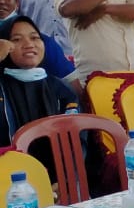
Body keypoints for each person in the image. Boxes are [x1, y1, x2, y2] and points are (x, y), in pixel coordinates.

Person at [0, 16, 80, 182]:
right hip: (10, 184)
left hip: (60, 182)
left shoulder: (60, 88)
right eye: (16, 39)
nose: (29, 44)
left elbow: (77, 140)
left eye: (35, 37)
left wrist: (65, 180)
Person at [0, 0, 76, 84]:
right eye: (16, 39)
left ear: (17, 2)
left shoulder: (42, 43)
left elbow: (72, 83)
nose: (1, 1)